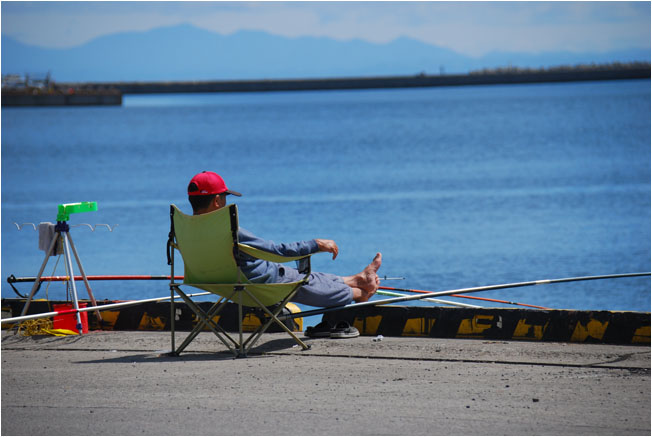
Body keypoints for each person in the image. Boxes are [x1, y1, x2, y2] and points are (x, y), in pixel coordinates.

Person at [187, 171, 382, 307]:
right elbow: (276, 251)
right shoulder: (229, 232)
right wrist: (316, 245)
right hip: (259, 285)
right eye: (225, 197)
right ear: (217, 201)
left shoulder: (186, 231)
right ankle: (361, 293)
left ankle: (359, 279)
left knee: (309, 278)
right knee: (305, 283)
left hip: (220, 283)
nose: (225, 202)